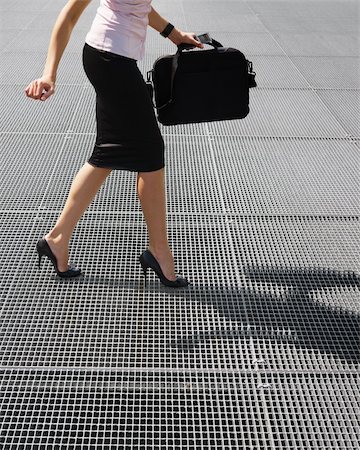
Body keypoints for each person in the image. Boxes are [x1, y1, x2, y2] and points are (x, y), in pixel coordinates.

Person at [25, 0, 203, 287]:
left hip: (113, 59)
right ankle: (159, 251)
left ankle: (56, 240)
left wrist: (173, 33)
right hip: (109, 61)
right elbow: (70, 14)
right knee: (150, 154)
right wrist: (50, 73)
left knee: (108, 153)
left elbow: (138, 5)